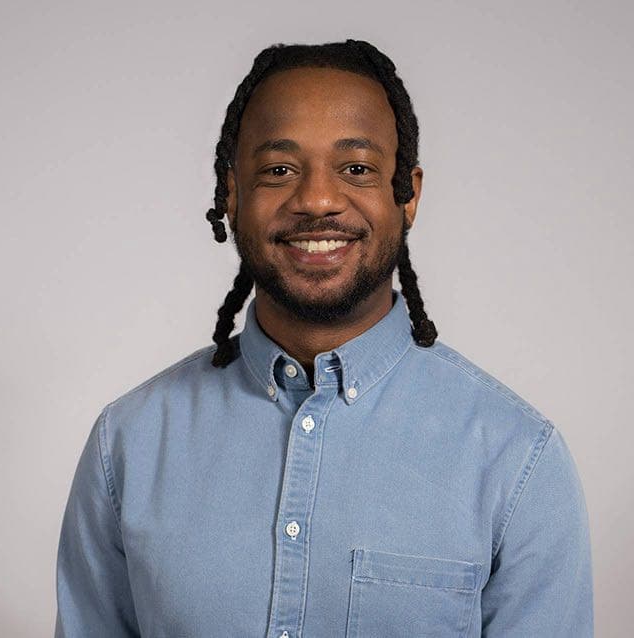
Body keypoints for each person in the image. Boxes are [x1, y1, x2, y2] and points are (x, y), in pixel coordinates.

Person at [55, 40, 594, 637]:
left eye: (356, 168)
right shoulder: (126, 445)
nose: (316, 200)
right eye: (279, 170)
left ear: (408, 194)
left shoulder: (517, 460)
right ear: (232, 193)